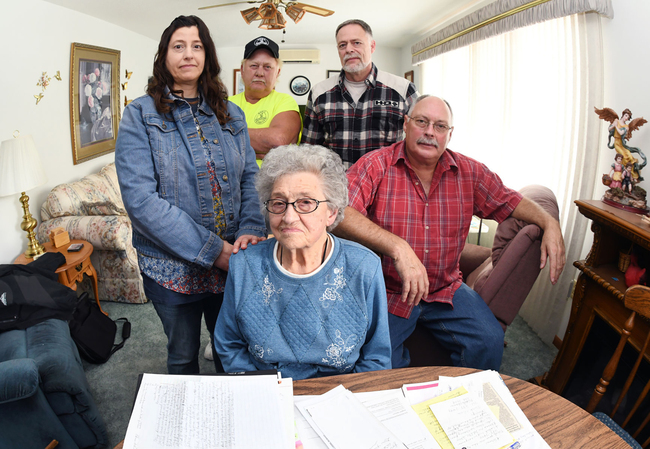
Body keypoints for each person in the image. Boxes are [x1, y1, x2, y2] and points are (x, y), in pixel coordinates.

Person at [333, 95, 566, 370]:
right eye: (422, 122)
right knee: (378, 366)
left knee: (489, 341)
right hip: (389, 291)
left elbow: (511, 201)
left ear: (449, 134)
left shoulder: (470, 172)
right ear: (406, 125)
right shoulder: (376, 164)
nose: (430, 132)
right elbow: (340, 212)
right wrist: (398, 247)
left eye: (440, 126)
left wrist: (550, 223)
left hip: (445, 289)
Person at [114, 15, 267, 375]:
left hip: (235, 257)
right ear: (164, 56)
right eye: (178, 46)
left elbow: (249, 177)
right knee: (183, 357)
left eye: (196, 46)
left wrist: (249, 228)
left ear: (207, 56)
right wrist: (215, 252)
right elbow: (141, 201)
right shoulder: (140, 114)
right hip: (171, 267)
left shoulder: (232, 114)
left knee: (234, 352)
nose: (188, 54)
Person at [215, 144, 392, 379]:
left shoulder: (363, 267)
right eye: (279, 203)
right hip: (266, 392)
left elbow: (377, 357)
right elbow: (229, 345)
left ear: (331, 212)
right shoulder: (245, 264)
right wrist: (263, 391)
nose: (289, 217)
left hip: (339, 394)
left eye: (306, 203)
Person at [302, 19, 419, 166]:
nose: (349, 49)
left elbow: (419, 143)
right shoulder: (319, 93)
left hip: (387, 184)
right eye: (342, 45)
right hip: (336, 185)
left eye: (356, 43)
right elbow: (308, 151)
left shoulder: (403, 90)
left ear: (372, 46)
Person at [229, 36, 301, 164]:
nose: (260, 73)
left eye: (267, 67)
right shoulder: (225, 104)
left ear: (277, 72)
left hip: (272, 183)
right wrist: (260, 145)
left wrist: (228, 137)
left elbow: (278, 141)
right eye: (254, 65)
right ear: (242, 69)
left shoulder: (285, 102)